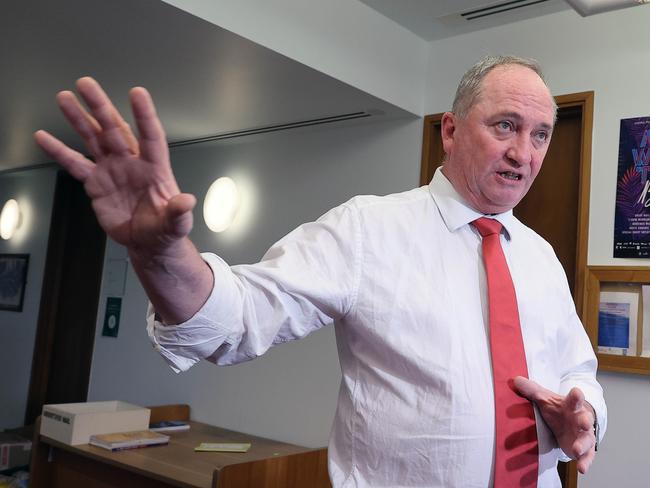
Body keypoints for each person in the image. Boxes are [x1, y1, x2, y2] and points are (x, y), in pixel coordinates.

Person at [35, 55, 606, 487]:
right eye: (505, 125)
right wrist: (160, 256)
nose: (523, 153)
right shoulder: (368, 230)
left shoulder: (539, 257)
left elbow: (578, 370)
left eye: (541, 135)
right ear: (451, 132)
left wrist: (586, 415)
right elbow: (238, 318)